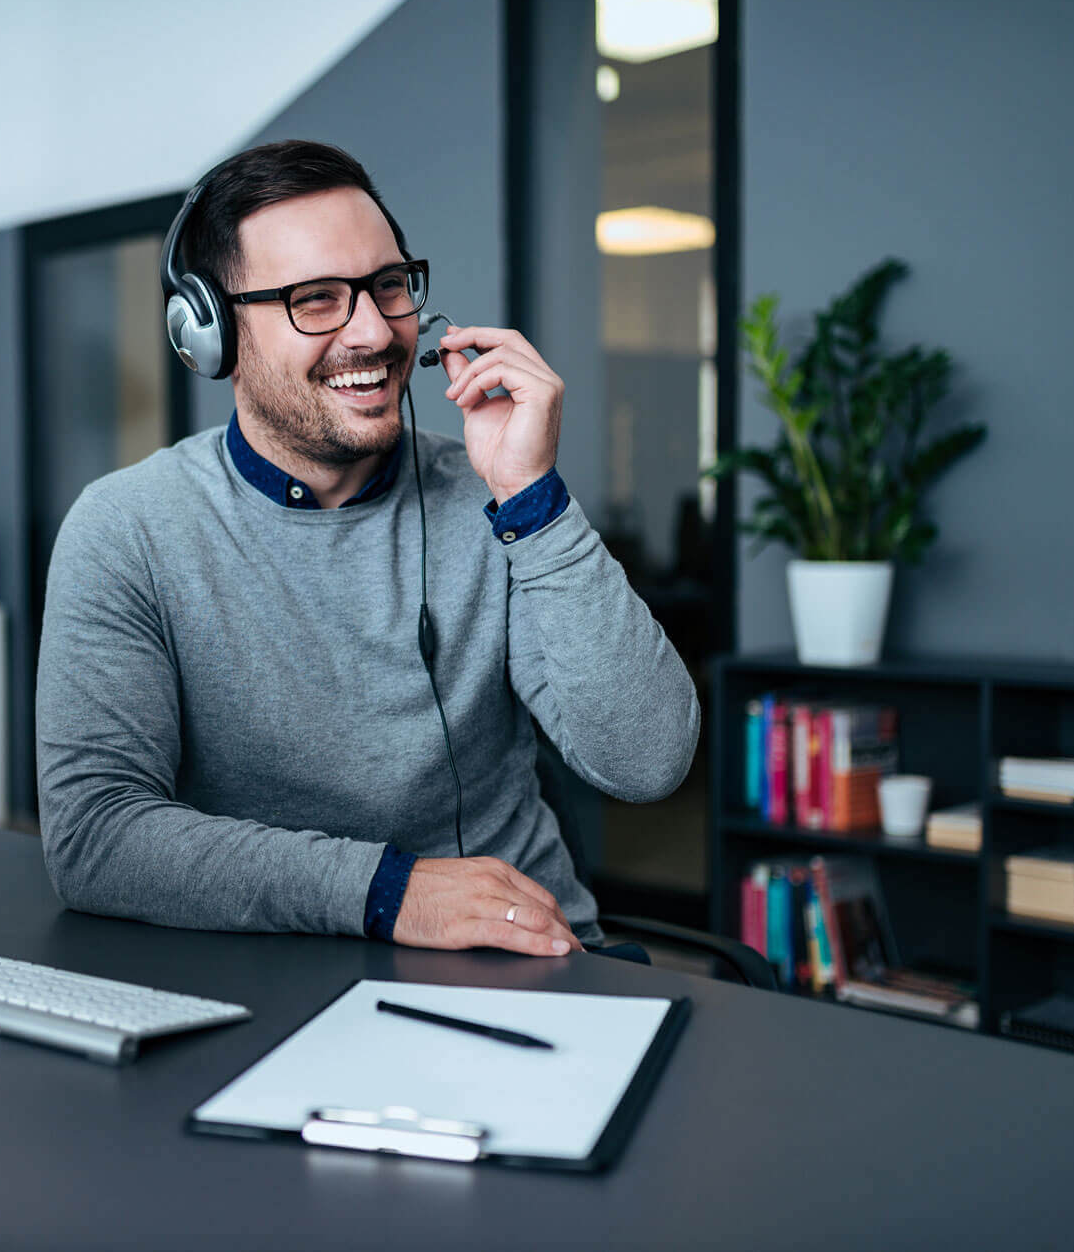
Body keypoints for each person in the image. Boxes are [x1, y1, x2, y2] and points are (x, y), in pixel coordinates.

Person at [34, 140, 699, 957]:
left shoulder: (498, 500)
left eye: (388, 287)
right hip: (269, 976)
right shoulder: (126, 530)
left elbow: (648, 761)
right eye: (315, 299)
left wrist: (532, 499)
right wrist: (390, 892)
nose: (373, 331)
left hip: (526, 962)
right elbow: (97, 836)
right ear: (212, 335)